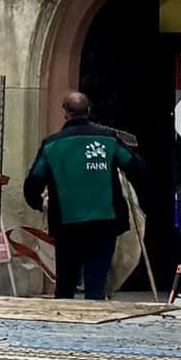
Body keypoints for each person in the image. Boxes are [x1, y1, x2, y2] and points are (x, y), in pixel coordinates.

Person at [21, 90, 142, 302]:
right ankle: (93, 326)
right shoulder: (108, 140)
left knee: (66, 284)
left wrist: (39, 204)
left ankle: (65, 327)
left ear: (65, 113)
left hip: (67, 225)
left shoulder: (52, 145)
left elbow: (33, 182)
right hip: (105, 223)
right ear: (88, 111)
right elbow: (137, 166)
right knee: (96, 284)